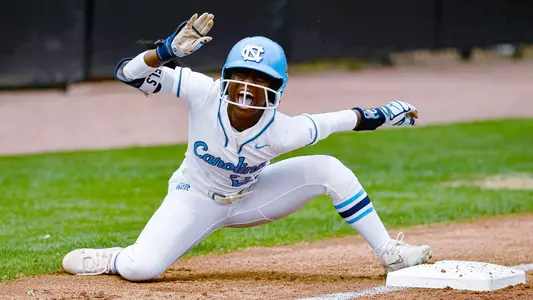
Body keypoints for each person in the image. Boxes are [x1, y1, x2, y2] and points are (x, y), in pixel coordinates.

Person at [62, 12, 431, 282]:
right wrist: (164, 50)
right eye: (239, 76)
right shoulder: (203, 93)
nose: (245, 88)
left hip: (251, 198)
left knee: (329, 168)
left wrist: (385, 114)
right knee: (140, 269)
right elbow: (127, 72)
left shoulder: (284, 130)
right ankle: (115, 258)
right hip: (194, 196)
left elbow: (345, 119)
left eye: (258, 80)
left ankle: (390, 253)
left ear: (278, 88)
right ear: (225, 78)